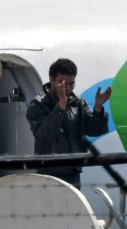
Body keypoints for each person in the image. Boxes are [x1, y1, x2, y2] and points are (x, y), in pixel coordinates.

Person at [26, 58, 111, 189]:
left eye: (71, 84)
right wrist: (61, 106)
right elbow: (45, 134)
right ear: (52, 80)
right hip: (49, 172)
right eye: (62, 83)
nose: (67, 89)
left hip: (72, 171)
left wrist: (98, 108)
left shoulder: (78, 103)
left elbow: (95, 130)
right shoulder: (38, 105)